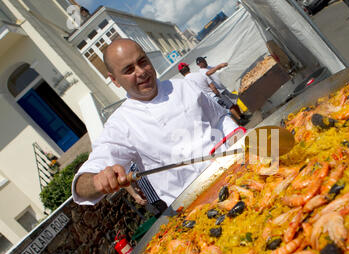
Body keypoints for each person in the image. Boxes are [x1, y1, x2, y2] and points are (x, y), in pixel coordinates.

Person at [72, 39, 238, 207]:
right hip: (192, 206)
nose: (141, 72)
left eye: (143, 62)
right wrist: (96, 181)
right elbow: (82, 184)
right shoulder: (120, 124)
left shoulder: (183, 86)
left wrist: (240, 138)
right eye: (129, 70)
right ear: (114, 80)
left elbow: (219, 118)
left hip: (235, 174)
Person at [178, 62, 249, 126]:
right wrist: (218, 95)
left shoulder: (185, 83)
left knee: (223, 116)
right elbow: (212, 86)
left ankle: (235, 128)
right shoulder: (199, 74)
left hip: (205, 102)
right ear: (188, 68)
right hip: (214, 96)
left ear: (181, 73)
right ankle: (239, 122)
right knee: (228, 111)